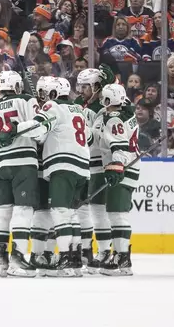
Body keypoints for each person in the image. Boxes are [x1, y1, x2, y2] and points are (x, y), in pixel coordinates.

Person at [11, 77, 92, 277]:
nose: (43, 97)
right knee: (71, 214)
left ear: (53, 94)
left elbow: (37, 130)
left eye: (46, 93)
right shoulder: (78, 110)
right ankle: (73, 260)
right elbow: (88, 137)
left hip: (62, 164)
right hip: (82, 166)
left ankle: (64, 258)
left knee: (59, 212)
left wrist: (14, 129)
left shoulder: (52, 106)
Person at [0, 71, 39, 278]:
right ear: (18, 86)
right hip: (23, 163)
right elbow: (39, 129)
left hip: (0, 165)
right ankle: (18, 257)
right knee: (22, 210)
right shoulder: (27, 100)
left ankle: (1, 259)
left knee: (2, 212)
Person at [96, 83, 139, 276]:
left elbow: (119, 145)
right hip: (130, 166)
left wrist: (116, 166)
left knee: (117, 213)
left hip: (122, 167)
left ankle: (123, 259)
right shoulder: (127, 113)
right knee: (117, 212)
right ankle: (121, 256)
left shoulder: (113, 119)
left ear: (107, 100)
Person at [75, 68, 110, 273]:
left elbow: (98, 138)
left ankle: (105, 251)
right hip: (81, 162)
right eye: (80, 86)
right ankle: (85, 250)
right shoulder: (78, 104)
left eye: (86, 86)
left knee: (98, 210)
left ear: (97, 86)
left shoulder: (103, 106)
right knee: (80, 208)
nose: (82, 90)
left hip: (98, 163)